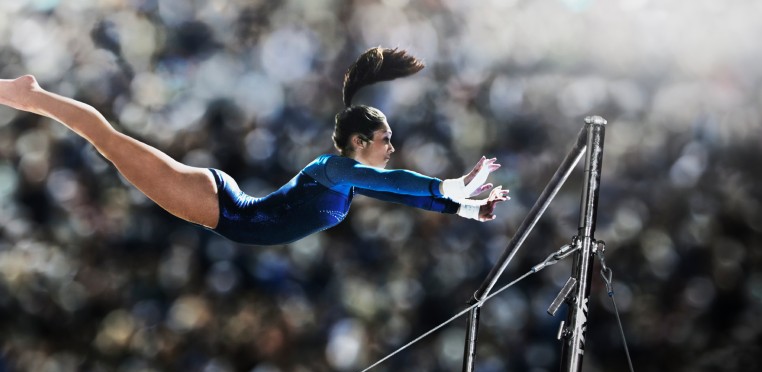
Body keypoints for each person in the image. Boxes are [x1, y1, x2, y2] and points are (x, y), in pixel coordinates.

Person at [0, 47, 510, 245]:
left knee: (111, 145)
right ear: (358, 142)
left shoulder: (346, 179)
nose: (392, 148)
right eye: (385, 139)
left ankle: (31, 95)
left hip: (227, 206)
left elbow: (401, 192)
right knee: (108, 142)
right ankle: (32, 95)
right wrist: (452, 186)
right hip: (220, 208)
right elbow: (398, 181)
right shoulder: (335, 169)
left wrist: (463, 208)